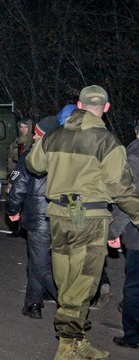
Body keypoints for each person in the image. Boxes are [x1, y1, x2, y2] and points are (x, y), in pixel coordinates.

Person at [26, 85, 139, 359]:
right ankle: (67, 346)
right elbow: (120, 189)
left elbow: (33, 165)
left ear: (79, 104)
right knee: (83, 284)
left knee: (65, 282)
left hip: (59, 217)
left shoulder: (54, 136)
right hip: (89, 219)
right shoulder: (107, 141)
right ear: (107, 108)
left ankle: (76, 340)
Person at [7, 116, 60, 320]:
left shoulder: (32, 155)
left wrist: (13, 210)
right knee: (39, 261)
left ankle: (68, 305)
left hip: (39, 216)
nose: (34, 135)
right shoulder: (65, 155)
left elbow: (18, 186)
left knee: (40, 264)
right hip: (61, 215)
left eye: (37, 132)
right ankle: (33, 304)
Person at [107, 116, 139, 350]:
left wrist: (114, 231)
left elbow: (127, 199)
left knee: (134, 287)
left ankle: (133, 335)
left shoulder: (133, 158)